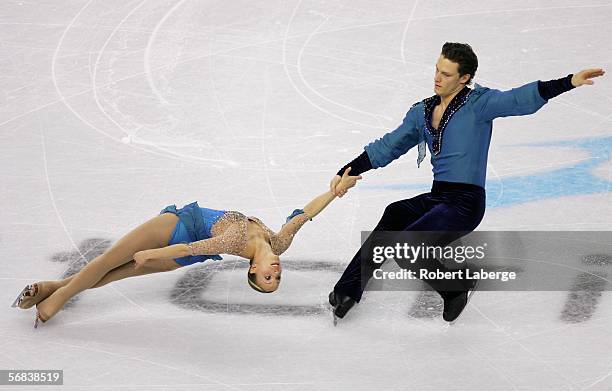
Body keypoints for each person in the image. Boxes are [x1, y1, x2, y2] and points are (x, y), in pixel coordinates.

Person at [327, 42, 605, 323]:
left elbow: (518, 99)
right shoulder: (422, 112)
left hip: (465, 203)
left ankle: (457, 288)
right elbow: (390, 145)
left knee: (408, 248)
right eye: (437, 70)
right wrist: (349, 169)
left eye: (446, 74)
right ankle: (349, 288)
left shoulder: (479, 104)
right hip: (439, 198)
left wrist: (568, 82)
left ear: (464, 78)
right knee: (394, 213)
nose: (437, 78)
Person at [12, 169, 361, 327]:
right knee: (106, 264)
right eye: (277, 280)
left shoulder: (236, 242)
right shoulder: (279, 243)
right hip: (179, 228)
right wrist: (336, 190)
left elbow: (194, 246)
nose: (276, 275)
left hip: (186, 242)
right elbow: (306, 212)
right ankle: (56, 295)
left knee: (111, 271)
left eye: (268, 280)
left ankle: (51, 291)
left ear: (252, 270)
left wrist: (151, 255)